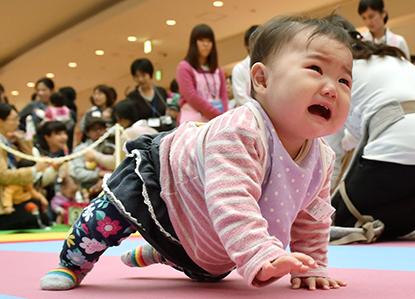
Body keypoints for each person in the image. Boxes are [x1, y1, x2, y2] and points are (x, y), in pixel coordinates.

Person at [40, 15, 353, 291]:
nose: (331, 89)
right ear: (261, 79)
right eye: (315, 69)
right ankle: (73, 262)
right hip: (164, 181)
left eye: (344, 80)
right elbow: (231, 201)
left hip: (206, 235)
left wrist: (312, 265)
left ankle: (162, 252)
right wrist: (261, 252)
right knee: (108, 217)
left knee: (212, 269)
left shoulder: (322, 159)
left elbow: (312, 218)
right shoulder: (242, 131)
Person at [327, 14, 415, 243]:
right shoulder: (393, 59)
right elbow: (358, 135)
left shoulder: (340, 72)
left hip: (402, 155)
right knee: (386, 196)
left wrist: (325, 206)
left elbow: (331, 153)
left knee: (344, 222)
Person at [0, 103, 50, 230]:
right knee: (33, 216)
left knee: (38, 207)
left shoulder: (8, 142)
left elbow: (28, 160)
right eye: (14, 119)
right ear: (1, 121)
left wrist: (22, 140)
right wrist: (34, 170)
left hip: (18, 194)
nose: (18, 123)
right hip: (5, 202)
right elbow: (2, 176)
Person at [176, 24, 228, 123]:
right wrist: (217, 115)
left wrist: (224, 115)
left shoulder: (218, 70)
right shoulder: (184, 67)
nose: (206, 44)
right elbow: (191, 96)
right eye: (201, 40)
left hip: (218, 119)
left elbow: (223, 95)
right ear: (193, 43)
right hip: (194, 121)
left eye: (209, 41)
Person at [126, 58, 174, 132]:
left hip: (163, 132)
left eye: (143, 75)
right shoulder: (132, 97)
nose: (140, 79)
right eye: (136, 76)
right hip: (142, 136)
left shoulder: (161, 92)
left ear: (150, 74)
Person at [231, 25, 260, 107]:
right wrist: (261, 109)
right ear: (247, 45)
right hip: (250, 113)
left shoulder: (270, 64)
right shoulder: (239, 69)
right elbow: (241, 98)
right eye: (255, 41)